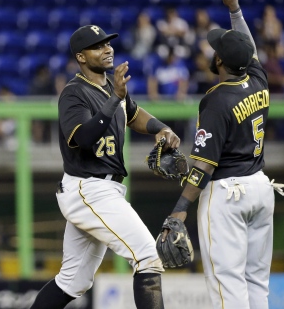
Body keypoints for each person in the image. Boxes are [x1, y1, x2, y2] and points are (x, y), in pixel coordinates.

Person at [29, 25, 181, 309]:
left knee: (73, 282)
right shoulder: (73, 93)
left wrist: (160, 127)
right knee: (148, 257)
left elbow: (132, 113)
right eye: (98, 46)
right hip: (88, 187)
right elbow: (85, 137)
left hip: (103, 188)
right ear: (81, 57)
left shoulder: (111, 86)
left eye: (108, 44)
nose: (107, 48)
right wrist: (115, 99)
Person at [161, 0, 283, 309]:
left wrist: (179, 210)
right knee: (256, 284)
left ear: (218, 61)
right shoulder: (258, 78)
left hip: (228, 196)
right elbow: (251, 48)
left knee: (227, 287)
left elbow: (203, 166)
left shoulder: (216, 99)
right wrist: (236, 11)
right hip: (260, 186)